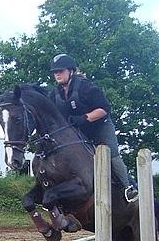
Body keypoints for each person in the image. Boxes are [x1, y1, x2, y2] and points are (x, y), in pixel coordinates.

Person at [47, 54, 139, 203]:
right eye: (55, 72)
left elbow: (104, 108)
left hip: (99, 128)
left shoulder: (86, 87)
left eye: (60, 71)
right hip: (79, 132)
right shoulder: (55, 93)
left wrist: (83, 118)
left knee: (112, 154)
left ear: (71, 71)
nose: (57, 74)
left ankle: (128, 187)